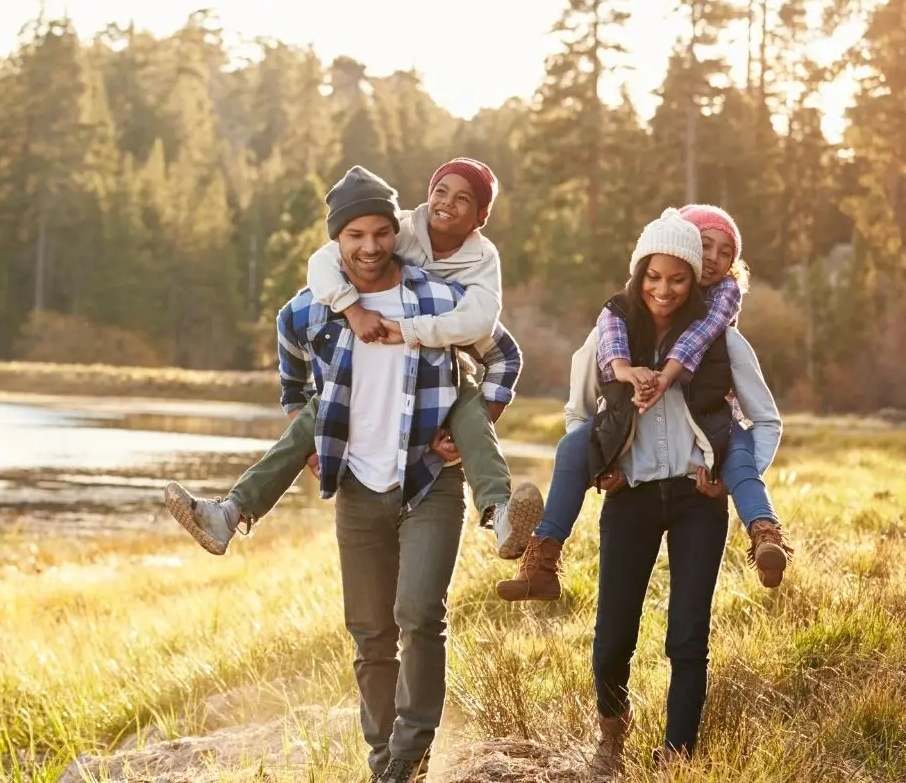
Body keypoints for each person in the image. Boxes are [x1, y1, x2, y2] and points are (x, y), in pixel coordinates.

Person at [270, 167, 523, 781]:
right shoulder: (314, 307)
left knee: (419, 615)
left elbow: (502, 353)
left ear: (395, 232)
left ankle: (409, 757)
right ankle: (383, 757)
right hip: (357, 484)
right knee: (370, 633)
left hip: (429, 477)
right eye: (354, 234)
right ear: (338, 240)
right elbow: (292, 372)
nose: (369, 246)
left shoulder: (439, 298)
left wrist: (471, 423)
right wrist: (311, 436)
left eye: (380, 232)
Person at [165, 159, 541, 561]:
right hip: (363, 372)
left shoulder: (480, 262)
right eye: (441, 191)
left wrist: (472, 423)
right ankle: (228, 514)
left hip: (446, 368)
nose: (371, 246)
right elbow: (323, 263)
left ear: (481, 217)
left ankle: (500, 515)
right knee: (317, 412)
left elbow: (487, 326)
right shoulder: (398, 229)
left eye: (463, 198)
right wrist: (351, 309)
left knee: (469, 409)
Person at [544, 209, 782, 771]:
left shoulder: (722, 340)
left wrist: (726, 479)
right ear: (641, 272)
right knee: (612, 636)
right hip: (630, 496)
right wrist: (602, 466)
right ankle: (611, 735)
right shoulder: (611, 334)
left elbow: (765, 420)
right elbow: (578, 416)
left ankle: (677, 755)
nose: (665, 288)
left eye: (679, 276)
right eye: (655, 276)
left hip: (697, 501)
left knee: (688, 635)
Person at [496, 204, 792, 602]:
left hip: (709, 438)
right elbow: (583, 397)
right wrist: (603, 460)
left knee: (739, 456)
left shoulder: (720, 318)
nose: (714, 260)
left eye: (726, 253)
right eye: (705, 246)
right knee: (572, 447)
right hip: (631, 471)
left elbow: (702, 341)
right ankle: (543, 557)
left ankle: (765, 533)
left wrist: (666, 377)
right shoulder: (619, 315)